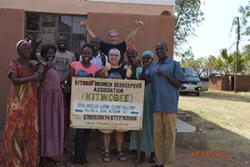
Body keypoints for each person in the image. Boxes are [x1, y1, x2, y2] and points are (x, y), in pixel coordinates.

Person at [1, 39, 42, 167]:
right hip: (17, 103)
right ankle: (14, 162)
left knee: (30, 131)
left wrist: (40, 67)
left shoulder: (33, 64)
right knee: (14, 131)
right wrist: (32, 77)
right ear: (18, 51)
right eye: (24, 49)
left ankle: (28, 162)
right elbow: (15, 80)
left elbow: (41, 75)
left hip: (31, 103)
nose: (26, 51)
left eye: (28, 49)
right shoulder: (14, 63)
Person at [145, 42, 185, 167]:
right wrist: (144, 68)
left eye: (161, 48)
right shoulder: (153, 66)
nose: (159, 51)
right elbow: (146, 81)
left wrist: (165, 75)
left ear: (166, 50)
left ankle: (169, 163)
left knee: (170, 136)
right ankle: (160, 161)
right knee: (157, 137)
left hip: (169, 106)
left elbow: (179, 84)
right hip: (156, 106)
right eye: (157, 49)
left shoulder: (174, 64)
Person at [70, 44, 101, 166]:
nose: (86, 55)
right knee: (79, 130)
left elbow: (98, 85)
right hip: (78, 102)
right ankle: (77, 155)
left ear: (92, 55)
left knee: (88, 130)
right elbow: (70, 81)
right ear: (81, 54)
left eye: (89, 53)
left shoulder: (95, 68)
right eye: (84, 53)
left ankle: (83, 155)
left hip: (91, 103)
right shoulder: (74, 65)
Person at [99, 48, 128, 162]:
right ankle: (106, 151)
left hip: (121, 105)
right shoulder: (105, 68)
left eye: (116, 55)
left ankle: (119, 150)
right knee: (107, 129)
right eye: (111, 55)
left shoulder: (124, 69)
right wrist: (104, 70)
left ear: (120, 57)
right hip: (107, 104)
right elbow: (100, 81)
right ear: (108, 56)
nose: (113, 57)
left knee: (120, 129)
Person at [38, 45, 65, 167]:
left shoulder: (51, 65)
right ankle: (42, 157)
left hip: (55, 100)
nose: (51, 55)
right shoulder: (41, 65)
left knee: (52, 127)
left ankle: (48, 155)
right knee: (46, 126)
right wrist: (45, 68)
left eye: (53, 53)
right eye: (49, 53)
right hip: (46, 101)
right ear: (43, 54)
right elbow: (39, 79)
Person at [129, 50, 155, 163]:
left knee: (152, 128)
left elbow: (150, 81)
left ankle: (153, 153)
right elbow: (143, 80)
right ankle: (142, 152)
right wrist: (144, 68)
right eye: (144, 58)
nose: (146, 60)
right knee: (141, 128)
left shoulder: (155, 70)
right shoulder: (139, 70)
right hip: (141, 103)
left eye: (148, 58)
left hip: (152, 103)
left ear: (152, 59)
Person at [54, 35, 75, 151]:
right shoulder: (53, 54)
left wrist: (66, 82)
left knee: (64, 117)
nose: (62, 43)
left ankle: (62, 142)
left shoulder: (71, 55)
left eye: (64, 41)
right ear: (57, 42)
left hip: (65, 89)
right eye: (60, 41)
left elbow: (72, 70)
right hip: (52, 90)